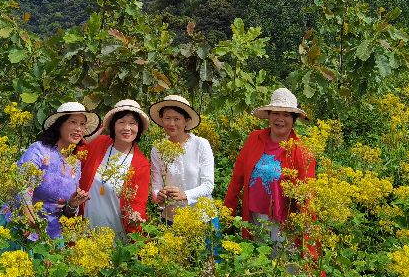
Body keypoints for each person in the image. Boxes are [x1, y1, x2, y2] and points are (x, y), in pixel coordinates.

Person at [224, 88, 316, 246]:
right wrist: (227, 213)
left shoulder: (302, 152)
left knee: (280, 267)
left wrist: (308, 234)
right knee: (256, 263)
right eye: (275, 113)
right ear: (269, 116)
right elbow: (237, 179)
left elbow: (307, 196)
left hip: (283, 223)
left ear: (294, 120)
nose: (280, 119)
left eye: (286, 115)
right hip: (253, 217)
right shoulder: (254, 138)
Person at [0, 101, 100, 240]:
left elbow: (64, 211)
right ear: (59, 125)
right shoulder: (39, 150)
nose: (78, 129)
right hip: (21, 228)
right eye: (73, 122)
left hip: (52, 236)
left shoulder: (75, 164)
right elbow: (22, 186)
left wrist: (73, 204)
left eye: (82, 124)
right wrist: (30, 219)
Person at [76, 99, 151, 239]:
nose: (127, 128)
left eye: (133, 123)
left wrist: (135, 218)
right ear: (113, 126)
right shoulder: (99, 143)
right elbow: (74, 154)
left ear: (139, 128)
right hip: (84, 232)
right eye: (121, 122)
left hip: (115, 235)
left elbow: (138, 203)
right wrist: (93, 135)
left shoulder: (141, 164)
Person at [149, 94, 214, 222]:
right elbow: (156, 185)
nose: (171, 123)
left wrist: (185, 194)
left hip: (202, 217)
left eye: (177, 119)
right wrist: (159, 195)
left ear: (186, 120)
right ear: (162, 120)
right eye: (167, 118)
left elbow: (208, 185)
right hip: (171, 218)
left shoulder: (200, 144)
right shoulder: (157, 149)